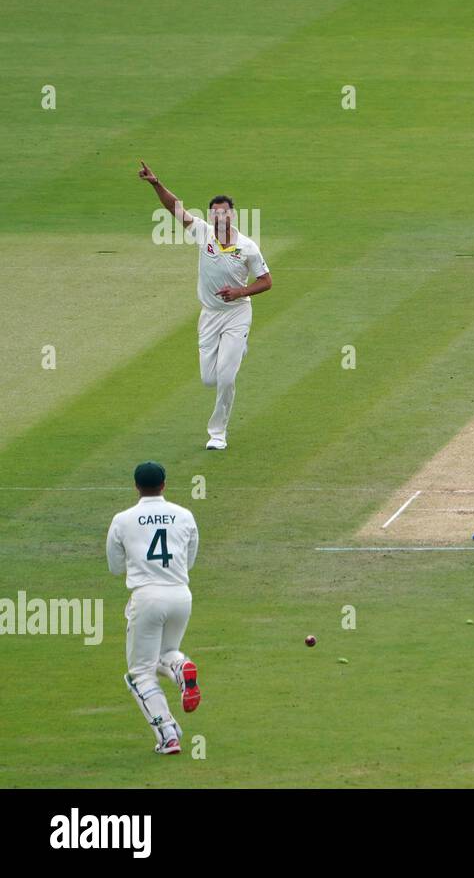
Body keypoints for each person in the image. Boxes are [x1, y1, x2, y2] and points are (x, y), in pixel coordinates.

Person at [139, 161, 272, 450]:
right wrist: (155, 183)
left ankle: (217, 434)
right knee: (209, 379)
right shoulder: (203, 233)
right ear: (211, 215)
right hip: (210, 315)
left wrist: (240, 292)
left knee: (225, 378)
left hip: (237, 314)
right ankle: (238, 349)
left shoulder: (248, 246)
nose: (220, 216)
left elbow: (266, 281)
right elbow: (176, 209)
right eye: (215, 212)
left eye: (224, 212)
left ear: (232, 215)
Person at [106, 462, 202, 754]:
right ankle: (180, 668)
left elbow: (114, 567)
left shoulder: (123, 519)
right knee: (165, 654)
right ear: (164, 484)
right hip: (181, 595)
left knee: (139, 673)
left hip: (147, 596)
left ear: (136, 486)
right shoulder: (184, 515)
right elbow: (190, 560)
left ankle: (167, 735)